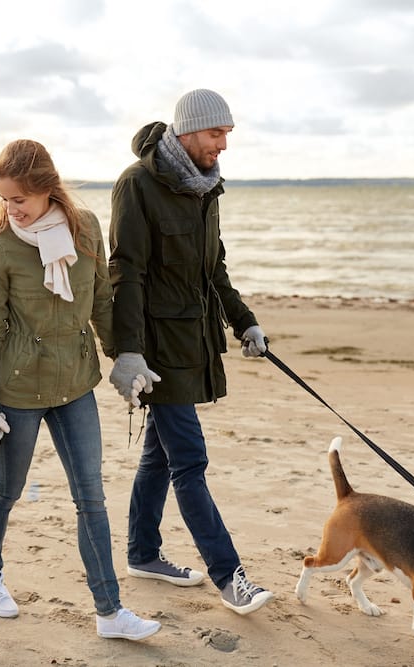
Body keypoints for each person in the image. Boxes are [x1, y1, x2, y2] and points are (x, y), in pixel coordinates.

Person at [0, 139, 161, 641]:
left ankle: (110, 612)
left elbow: (100, 301)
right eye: (5, 200)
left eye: (20, 199)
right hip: (17, 388)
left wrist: (123, 356)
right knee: (6, 492)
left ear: (46, 188)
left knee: (90, 497)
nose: (13, 209)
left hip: (75, 382)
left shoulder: (85, 226)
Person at [107, 89, 274, 616]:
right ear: (186, 132)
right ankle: (231, 577)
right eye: (214, 134)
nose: (222, 145)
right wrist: (127, 353)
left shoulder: (207, 188)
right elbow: (125, 271)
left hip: (194, 342)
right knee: (190, 460)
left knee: (160, 455)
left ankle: (142, 553)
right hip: (157, 350)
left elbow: (213, 269)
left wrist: (244, 322)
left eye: (227, 135)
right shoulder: (138, 185)